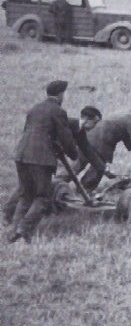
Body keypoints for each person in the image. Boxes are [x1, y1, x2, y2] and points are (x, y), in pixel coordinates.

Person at [3, 106, 112, 222]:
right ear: (86, 119)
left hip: (44, 159)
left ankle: (18, 219)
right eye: (95, 123)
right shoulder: (64, 123)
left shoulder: (79, 132)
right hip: (35, 155)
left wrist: (103, 169)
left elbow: (89, 152)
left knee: (34, 188)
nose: (95, 127)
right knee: (27, 187)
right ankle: (8, 214)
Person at [7, 80, 77, 243]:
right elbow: (66, 138)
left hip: (21, 155)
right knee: (43, 197)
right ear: (60, 95)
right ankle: (24, 229)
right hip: (41, 159)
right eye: (64, 94)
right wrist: (73, 154)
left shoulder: (34, 109)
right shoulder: (58, 111)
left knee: (25, 195)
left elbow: (29, 131)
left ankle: (14, 232)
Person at [74, 98, 131, 191]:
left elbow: (125, 133)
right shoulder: (130, 118)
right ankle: (84, 191)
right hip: (102, 142)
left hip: (90, 137)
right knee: (98, 168)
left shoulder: (128, 115)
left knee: (77, 165)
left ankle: (61, 183)